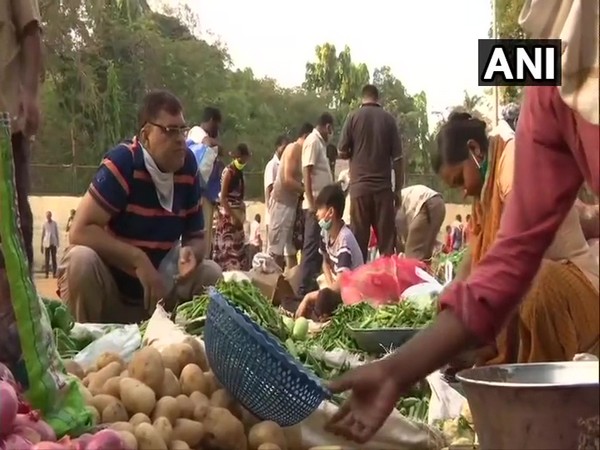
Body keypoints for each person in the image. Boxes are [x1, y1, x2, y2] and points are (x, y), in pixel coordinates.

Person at [325, 6, 600, 432]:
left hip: (576, 285)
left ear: (474, 150)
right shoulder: (549, 83)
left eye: (458, 179)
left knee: (538, 288)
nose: (462, 190)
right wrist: (398, 370)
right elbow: (507, 263)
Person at [58, 90, 222, 323]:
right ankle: (86, 342)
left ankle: (181, 345)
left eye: (182, 130)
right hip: (111, 294)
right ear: (146, 136)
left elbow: (196, 238)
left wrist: (191, 254)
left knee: (211, 273)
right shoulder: (124, 163)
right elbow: (79, 230)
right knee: (80, 261)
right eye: (170, 131)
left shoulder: (187, 168)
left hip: (158, 295)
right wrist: (137, 260)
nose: (180, 140)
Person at [0, 0, 42, 273]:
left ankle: (20, 312)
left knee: (11, 225)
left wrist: (30, 92)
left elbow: (30, 30)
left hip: (5, 126)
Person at [338, 84, 403, 262]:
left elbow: (341, 151)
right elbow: (398, 159)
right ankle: (387, 284)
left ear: (362, 98)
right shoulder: (389, 120)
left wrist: (356, 153)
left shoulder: (353, 117)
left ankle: (359, 285)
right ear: (377, 98)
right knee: (386, 246)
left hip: (360, 189)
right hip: (383, 190)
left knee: (358, 243)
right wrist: (397, 190)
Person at [299, 113, 334, 295]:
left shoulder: (320, 144)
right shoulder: (313, 141)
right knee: (311, 248)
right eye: (331, 130)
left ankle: (310, 289)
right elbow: (307, 171)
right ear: (328, 127)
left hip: (321, 208)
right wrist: (312, 203)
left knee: (320, 250)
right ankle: (302, 290)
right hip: (314, 207)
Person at [268, 124, 313, 269]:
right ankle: (272, 285)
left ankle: (292, 285)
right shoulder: (294, 148)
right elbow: (287, 180)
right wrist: (306, 191)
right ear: (306, 136)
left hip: (291, 205)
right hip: (282, 204)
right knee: (276, 252)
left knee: (291, 251)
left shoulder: (302, 152)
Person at [188, 106, 223, 255]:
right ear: (210, 120)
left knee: (207, 235)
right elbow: (208, 143)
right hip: (197, 191)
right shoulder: (197, 131)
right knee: (200, 233)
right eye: (216, 124)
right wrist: (219, 145)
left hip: (207, 194)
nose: (217, 128)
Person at [315, 184, 363, 288]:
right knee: (321, 281)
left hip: (353, 286)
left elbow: (342, 283)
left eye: (319, 209)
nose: (317, 214)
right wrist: (330, 283)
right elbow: (325, 261)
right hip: (337, 280)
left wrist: (330, 292)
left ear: (330, 212)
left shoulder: (344, 238)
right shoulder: (324, 232)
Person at [214, 143, 251, 271]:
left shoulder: (239, 173)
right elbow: (223, 197)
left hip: (237, 220)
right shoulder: (228, 172)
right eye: (242, 159)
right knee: (228, 256)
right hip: (228, 219)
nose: (244, 162)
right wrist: (232, 216)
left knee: (238, 256)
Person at [395, 185, 445, 263]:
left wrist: (403, 247)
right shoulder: (400, 196)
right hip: (439, 203)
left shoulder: (393, 203)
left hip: (426, 203)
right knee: (425, 255)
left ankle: (413, 274)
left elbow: (401, 225)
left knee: (412, 256)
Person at [264, 135, 289, 254]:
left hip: (282, 213)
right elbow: (269, 189)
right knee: (273, 250)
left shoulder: (285, 164)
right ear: (277, 147)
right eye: (283, 147)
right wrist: (271, 210)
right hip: (274, 213)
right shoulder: (272, 165)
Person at [41, 211, 59, 278]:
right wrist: (41, 245)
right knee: (47, 259)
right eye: (47, 216)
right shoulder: (44, 224)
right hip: (46, 243)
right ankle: (46, 273)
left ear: (51, 216)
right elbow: (43, 235)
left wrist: (57, 243)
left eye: (49, 216)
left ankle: (54, 273)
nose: (48, 217)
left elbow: (56, 233)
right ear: (46, 217)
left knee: (54, 259)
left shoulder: (54, 223)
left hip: (53, 243)